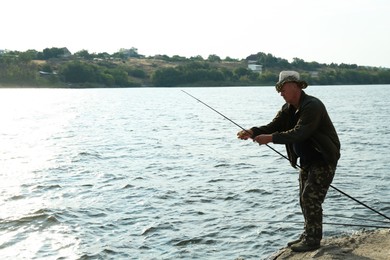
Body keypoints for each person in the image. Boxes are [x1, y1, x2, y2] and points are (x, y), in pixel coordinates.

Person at [237, 71, 340, 252]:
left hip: (323, 159)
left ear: (294, 86)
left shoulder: (312, 106)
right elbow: (272, 126)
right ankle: (308, 233)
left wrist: (270, 138)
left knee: (310, 197)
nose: (280, 93)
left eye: (282, 88)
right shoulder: (288, 109)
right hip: (308, 161)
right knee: (304, 198)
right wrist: (252, 131)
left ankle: (313, 240)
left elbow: (300, 132)